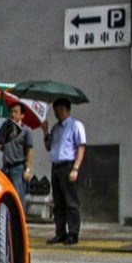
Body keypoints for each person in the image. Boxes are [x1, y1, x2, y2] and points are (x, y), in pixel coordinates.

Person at [43, 97, 87, 245]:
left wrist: (76, 168)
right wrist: (45, 131)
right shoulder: (55, 128)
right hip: (56, 166)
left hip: (68, 165)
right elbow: (48, 147)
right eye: (56, 110)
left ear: (68, 110)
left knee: (71, 202)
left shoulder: (76, 125)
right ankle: (60, 232)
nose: (58, 113)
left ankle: (73, 233)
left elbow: (81, 147)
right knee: (58, 203)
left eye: (61, 109)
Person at [0, 103, 33, 205]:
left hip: (18, 167)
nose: (13, 114)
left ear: (22, 115)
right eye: (11, 112)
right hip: (6, 167)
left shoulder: (26, 130)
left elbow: (30, 150)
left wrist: (28, 169)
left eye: (16, 112)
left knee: (18, 197)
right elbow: (4, 148)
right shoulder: (7, 129)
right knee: (5, 195)